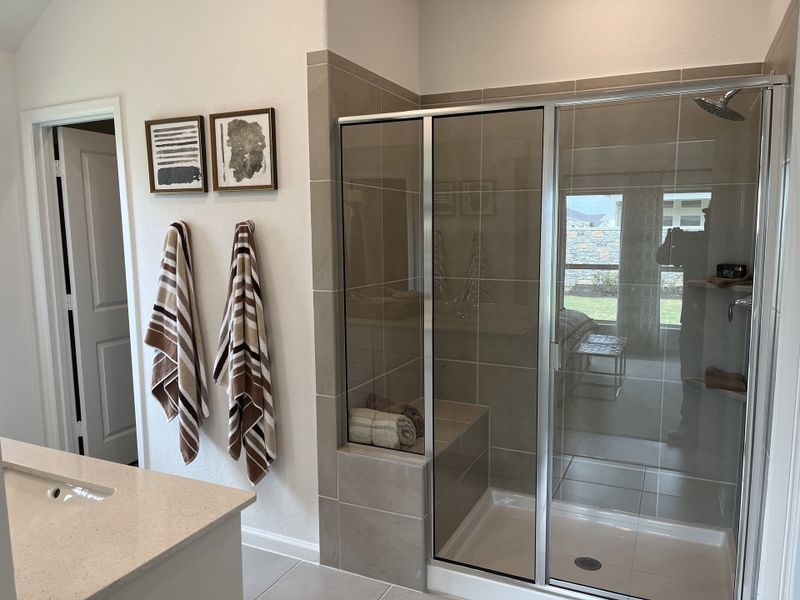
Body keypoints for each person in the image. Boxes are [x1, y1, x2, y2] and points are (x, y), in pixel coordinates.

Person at [655, 209, 709, 445]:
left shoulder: (703, 242)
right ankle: (690, 425)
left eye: (710, 215)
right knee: (691, 373)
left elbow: (662, 258)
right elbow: (662, 258)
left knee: (694, 373)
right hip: (693, 318)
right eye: (707, 215)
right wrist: (671, 240)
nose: (708, 220)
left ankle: (700, 427)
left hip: (704, 318)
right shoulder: (696, 241)